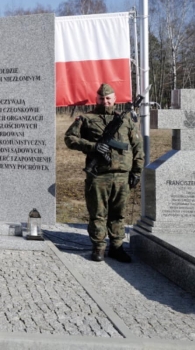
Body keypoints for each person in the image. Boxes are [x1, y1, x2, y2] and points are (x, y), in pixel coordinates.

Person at [64, 83, 144, 263]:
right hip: (98, 176)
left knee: (118, 214)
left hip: (123, 175)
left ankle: (117, 247)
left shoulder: (125, 120)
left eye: (108, 98)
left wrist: (137, 171)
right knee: (98, 214)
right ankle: (98, 247)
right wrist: (93, 147)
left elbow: (137, 147)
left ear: (115, 99)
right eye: (102, 98)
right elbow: (69, 139)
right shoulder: (86, 119)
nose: (105, 101)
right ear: (96, 99)